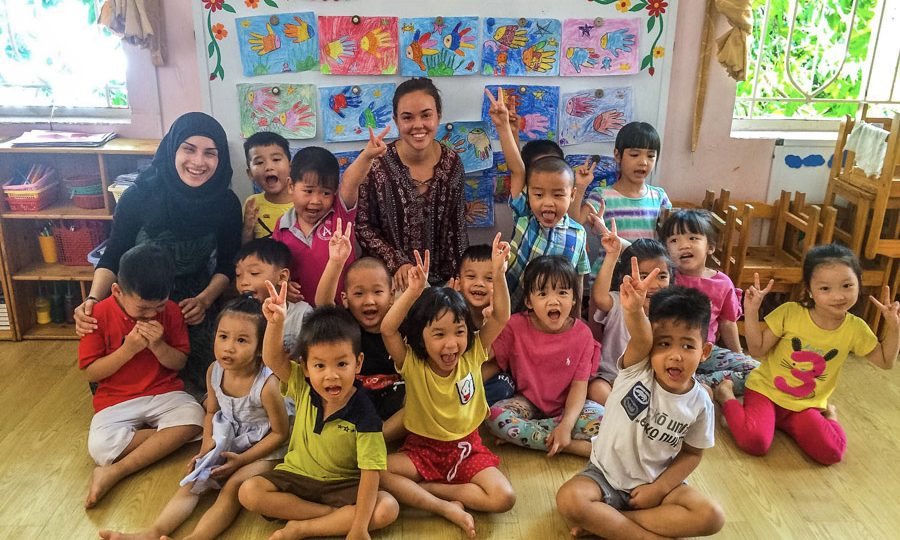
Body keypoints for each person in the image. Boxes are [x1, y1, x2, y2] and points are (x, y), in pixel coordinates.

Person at [75, 112, 243, 395]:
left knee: (209, 381)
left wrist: (204, 300)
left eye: (210, 153)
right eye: (188, 149)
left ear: (221, 158)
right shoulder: (138, 196)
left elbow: (227, 264)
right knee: (119, 378)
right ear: (172, 149)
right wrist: (92, 300)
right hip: (137, 294)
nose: (198, 162)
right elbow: (113, 255)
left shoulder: (225, 203)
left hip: (192, 297)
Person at [98, 297, 289, 540]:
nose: (229, 347)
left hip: (267, 447)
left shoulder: (267, 385)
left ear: (260, 348)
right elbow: (211, 412)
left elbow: (280, 434)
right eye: (223, 337)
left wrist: (240, 460)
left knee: (231, 488)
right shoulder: (215, 370)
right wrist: (206, 446)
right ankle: (151, 533)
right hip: (230, 435)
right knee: (193, 479)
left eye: (241, 340)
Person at [556, 269, 725, 540]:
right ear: (651, 347)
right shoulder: (637, 368)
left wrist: (658, 490)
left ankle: (610, 522)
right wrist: (634, 310)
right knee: (569, 499)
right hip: (605, 477)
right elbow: (642, 337)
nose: (675, 356)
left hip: (656, 485)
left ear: (704, 352)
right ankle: (643, 535)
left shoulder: (701, 403)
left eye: (687, 346)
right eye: (665, 344)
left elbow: (692, 454)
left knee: (712, 516)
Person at [379, 237, 515, 538]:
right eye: (438, 334)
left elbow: (502, 316)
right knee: (372, 470)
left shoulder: (473, 352)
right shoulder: (413, 362)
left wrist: (499, 272)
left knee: (504, 497)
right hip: (422, 450)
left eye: (459, 332)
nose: (451, 343)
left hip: (467, 450)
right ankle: (443, 506)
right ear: (420, 338)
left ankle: (427, 491)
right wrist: (414, 291)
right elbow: (388, 329)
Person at [715, 244, 900, 465]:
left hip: (805, 405)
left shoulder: (855, 328)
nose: (838, 296)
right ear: (810, 290)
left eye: (847, 285)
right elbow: (757, 349)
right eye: (825, 288)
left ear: (859, 284)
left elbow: (886, 361)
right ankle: (725, 395)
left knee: (832, 453)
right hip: (766, 391)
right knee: (754, 442)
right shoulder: (791, 312)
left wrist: (894, 328)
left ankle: (830, 415)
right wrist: (752, 311)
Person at [239, 295, 399, 539]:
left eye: (342, 364)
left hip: (342, 484)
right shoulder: (302, 386)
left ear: (358, 363)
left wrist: (358, 528)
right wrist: (276, 321)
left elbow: (370, 473)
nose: (331, 376)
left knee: (387, 508)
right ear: (305, 367)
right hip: (297, 476)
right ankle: (331, 516)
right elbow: (273, 359)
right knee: (248, 491)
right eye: (320, 366)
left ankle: (302, 527)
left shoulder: (365, 414)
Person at [79, 244, 204, 509]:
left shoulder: (169, 311)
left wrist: (158, 346)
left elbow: (179, 362)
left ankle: (116, 470)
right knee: (100, 448)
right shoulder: (97, 315)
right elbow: (91, 371)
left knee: (195, 417)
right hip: (114, 400)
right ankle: (161, 440)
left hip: (164, 391)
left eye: (157, 306)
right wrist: (128, 349)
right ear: (117, 291)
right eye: (143, 308)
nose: (151, 314)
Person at [484, 88, 591, 312]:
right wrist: (503, 126)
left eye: (558, 194)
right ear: (529, 193)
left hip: (552, 319)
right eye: (539, 194)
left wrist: (578, 320)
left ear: (572, 195)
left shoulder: (578, 234)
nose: (548, 203)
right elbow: (516, 168)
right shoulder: (525, 214)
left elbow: (578, 280)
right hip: (511, 311)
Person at [356, 77, 468, 289]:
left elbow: (458, 230)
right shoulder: (377, 163)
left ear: (438, 117)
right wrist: (397, 262)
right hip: (389, 282)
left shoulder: (452, 164)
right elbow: (363, 226)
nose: (418, 125)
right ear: (396, 121)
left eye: (426, 115)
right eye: (407, 117)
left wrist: (458, 280)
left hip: (441, 284)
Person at [484, 255, 602, 456]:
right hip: (526, 404)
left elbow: (579, 386)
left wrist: (566, 425)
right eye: (543, 293)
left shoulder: (583, 334)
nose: (553, 300)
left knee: (603, 417)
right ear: (529, 301)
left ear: (574, 299)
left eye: (562, 292)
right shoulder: (515, 326)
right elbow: (483, 354)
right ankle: (570, 445)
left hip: (566, 409)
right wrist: (489, 322)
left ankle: (548, 438)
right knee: (494, 416)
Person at [272, 127, 389, 307]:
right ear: (290, 186)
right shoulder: (282, 226)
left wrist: (367, 155)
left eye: (325, 193)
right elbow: (276, 268)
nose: (316, 200)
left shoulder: (340, 213)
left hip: (344, 312)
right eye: (308, 191)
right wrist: (283, 283)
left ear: (334, 192)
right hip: (304, 317)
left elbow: (351, 180)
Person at [315, 219, 406, 442]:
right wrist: (336, 262)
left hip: (393, 401)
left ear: (392, 296)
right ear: (345, 299)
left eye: (377, 292)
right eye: (359, 294)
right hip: (354, 399)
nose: (369, 301)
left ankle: (376, 440)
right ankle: (359, 441)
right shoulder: (346, 325)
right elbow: (323, 303)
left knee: (418, 399)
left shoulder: (400, 325)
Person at [661, 209, 759, 393]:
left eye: (693, 238)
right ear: (666, 250)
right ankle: (696, 384)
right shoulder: (667, 279)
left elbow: (727, 323)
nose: (683, 246)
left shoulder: (722, 283)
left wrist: (738, 355)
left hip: (708, 351)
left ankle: (704, 383)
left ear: (710, 246)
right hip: (672, 353)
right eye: (674, 240)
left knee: (759, 372)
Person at [571, 121, 671, 273]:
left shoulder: (659, 197)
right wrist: (580, 187)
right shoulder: (602, 195)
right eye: (634, 154)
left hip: (645, 277)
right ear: (617, 155)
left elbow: (669, 237)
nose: (643, 162)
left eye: (651, 156)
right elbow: (575, 221)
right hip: (608, 277)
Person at [589, 230, 672, 405]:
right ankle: (623, 411)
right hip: (612, 378)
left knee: (700, 391)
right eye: (643, 276)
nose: (653, 284)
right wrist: (612, 255)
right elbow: (599, 297)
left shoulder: (671, 310)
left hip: (650, 382)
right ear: (626, 279)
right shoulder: (620, 302)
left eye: (662, 276)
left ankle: (637, 412)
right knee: (596, 389)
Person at [450, 244, 516, 405]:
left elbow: (491, 360)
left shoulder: (503, 319)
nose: (479, 284)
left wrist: (489, 321)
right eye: (471, 277)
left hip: (478, 381)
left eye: (489, 279)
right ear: (458, 284)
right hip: (453, 378)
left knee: (504, 384)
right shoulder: (453, 314)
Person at [234, 238, 312, 355]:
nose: (243, 282)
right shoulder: (236, 314)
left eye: (254, 273)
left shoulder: (301, 314)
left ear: (282, 277)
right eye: (238, 274)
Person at [241, 131, 294, 243]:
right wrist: (248, 229)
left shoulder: (303, 201)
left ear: (290, 167)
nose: (269, 167)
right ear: (250, 173)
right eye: (259, 162)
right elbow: (246, 250)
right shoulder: (252, 204)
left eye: (276, 159)